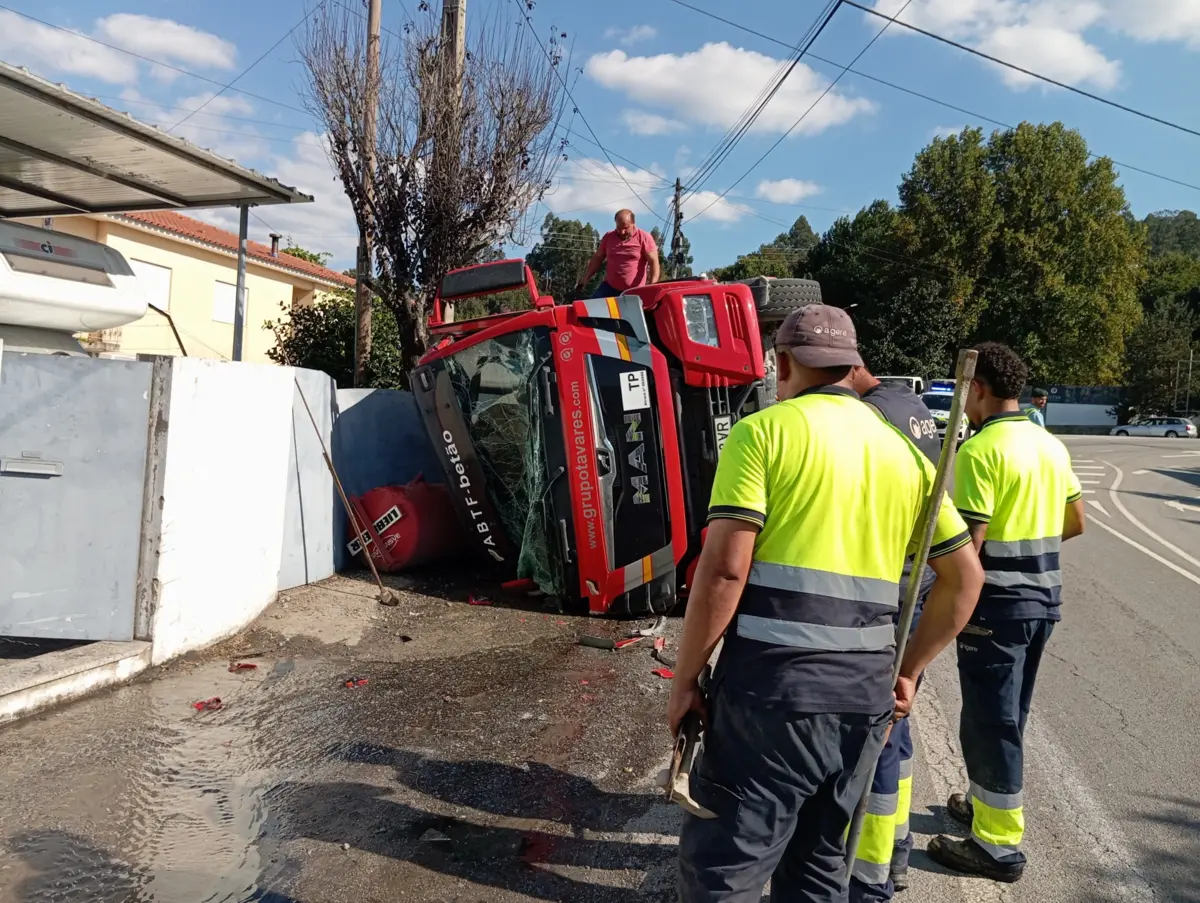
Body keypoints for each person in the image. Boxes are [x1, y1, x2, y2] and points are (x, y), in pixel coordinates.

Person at [668, 305, 985, 903]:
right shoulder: (909, 458)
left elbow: (726, 570)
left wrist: (686, 680)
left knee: (724, 872)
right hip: (863, 702)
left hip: (770, 699)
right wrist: (910, 671)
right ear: (850, 364)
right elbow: (965, 579)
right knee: (817, 871)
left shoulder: (763, 434)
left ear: (784, 363)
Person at [927, 343, 1085, 883]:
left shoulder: (980, 451)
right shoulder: (1049, 445)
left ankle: (996, 846)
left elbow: (969, 545)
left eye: (964, 392)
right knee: (1009, 711)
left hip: (997, 603)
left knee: (988, 720)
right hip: (1043, 598)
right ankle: (983, 802)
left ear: (978, 389)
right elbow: (1076, 522)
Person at [846, 365, 942, 900]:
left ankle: (867, 874)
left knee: (877, 731)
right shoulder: (912, 406)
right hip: (919, 576)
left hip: (893, 583)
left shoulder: (873, 417)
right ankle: (894, 854)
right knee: (896, 728)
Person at [575, 209, 660, 298]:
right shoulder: (608, 237)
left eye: (626, 228)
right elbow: (598, 258)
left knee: (632, 311)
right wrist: (585, 279)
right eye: (619, 228)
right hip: (610, 287)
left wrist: (652, 287)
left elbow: (654, 262)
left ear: (633, 223)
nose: (622, 232)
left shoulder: (644, 237)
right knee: (594, 307)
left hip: (634, 290)